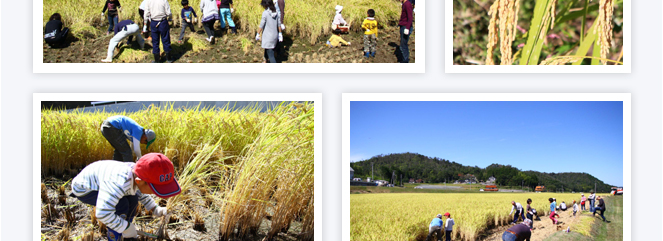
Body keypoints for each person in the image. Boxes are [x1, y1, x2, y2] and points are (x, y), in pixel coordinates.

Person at [69, 153, 180, 241]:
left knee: (133, 199)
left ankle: (125, 231)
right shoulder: (118, 183)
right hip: (86, 188)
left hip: (105, 181)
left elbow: (139, 190)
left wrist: (154, 208)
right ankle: (114, 236)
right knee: (121, 205)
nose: (157, 194)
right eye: (155, 189)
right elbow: (102, 213)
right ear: (139, 181)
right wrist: (125, 228)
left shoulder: (138, 174)